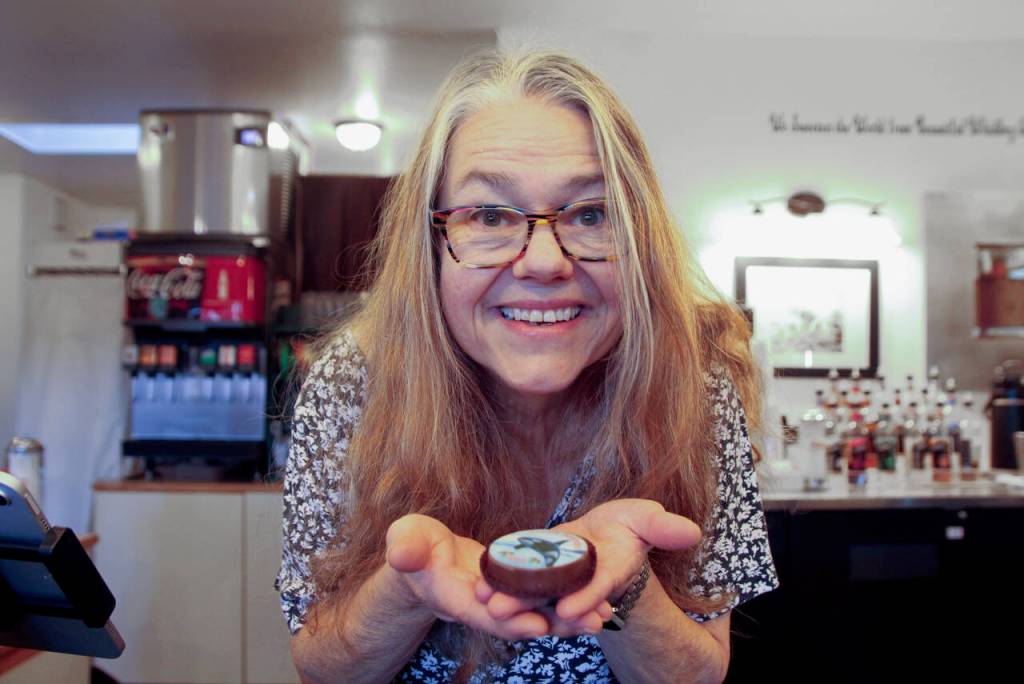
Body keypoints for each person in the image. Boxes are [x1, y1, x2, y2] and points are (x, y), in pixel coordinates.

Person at [276, 48, 778, 683]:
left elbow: (700, 673)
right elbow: (323, 669)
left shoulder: (694, 385)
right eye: (489, 215)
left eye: (592, 214)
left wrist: (620, 588)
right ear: (429, 246)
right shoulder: (353, 383)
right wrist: (409, 592)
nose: (544, 261)